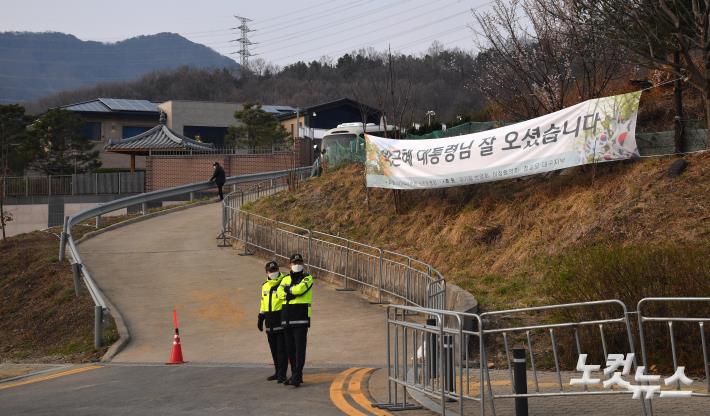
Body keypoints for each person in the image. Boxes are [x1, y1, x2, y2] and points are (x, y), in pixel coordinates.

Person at [277, 253, 314, 387]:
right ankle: (294, 374)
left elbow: (300, 290)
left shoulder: (307, 278)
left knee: (299, 349)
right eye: (294, 262)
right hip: (286, 318)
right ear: (290, 264)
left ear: (303, 264)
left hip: (300, 317)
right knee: (290, 349)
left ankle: (297, 375)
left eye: (299, 262)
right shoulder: (285, 278)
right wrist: (289, 293)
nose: (297, 265)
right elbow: (279, 293)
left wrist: (288, 291)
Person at [258, 261, 288, 383]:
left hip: (280, 319)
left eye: (275, 270)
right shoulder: (265, 286)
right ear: (267, 272)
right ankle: (277, 371)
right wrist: (260, 317)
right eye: (271, 271)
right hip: (269, 321)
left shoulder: (284, 282)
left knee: (282, 349)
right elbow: (263, 302)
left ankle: (283, 374)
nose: (273, 272)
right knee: (274, 349)